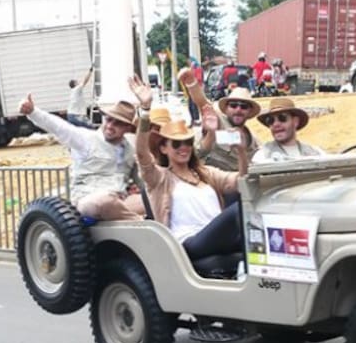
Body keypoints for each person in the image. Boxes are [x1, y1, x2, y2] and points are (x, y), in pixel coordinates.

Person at [128, 75, 246, 262]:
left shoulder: (205, 173)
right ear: (163, 148)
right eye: (176, 144)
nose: (183, 148)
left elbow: (242, 182)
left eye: (187, 142)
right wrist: (145, 109)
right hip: (188, 243)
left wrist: (241, 153)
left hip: (217, 240)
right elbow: (142, 154)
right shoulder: (160, 178)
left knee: (248, 208)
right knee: (238, 211)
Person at [19, 92, 142, 221]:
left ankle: (143, 224)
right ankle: (139, 223)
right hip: (89, 200)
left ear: (128, 128)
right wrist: (33, 112)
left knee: (152, 198)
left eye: (118, 123)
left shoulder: (131, 149)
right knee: (103, 201)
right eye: (108, 119)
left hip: (121, 200)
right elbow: (59, 127)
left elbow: (145, 181)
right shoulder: (86, 139)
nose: (110, 126)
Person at [178, 67, 259, 173]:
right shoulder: (218, 120)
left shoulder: (254, 141)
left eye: (244, 106)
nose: (238, 110)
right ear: (226, 108)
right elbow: (203, 103)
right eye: (233, 105)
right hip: (209, 178)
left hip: (237, 180)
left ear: (250, 111)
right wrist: (191, 83)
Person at [251, 97, 324, 163]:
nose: (276, 124)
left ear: (295, 121)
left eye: (282, 118)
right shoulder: (261, 157)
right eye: (271, 120)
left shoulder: (317, 153)